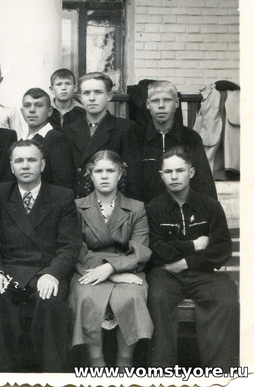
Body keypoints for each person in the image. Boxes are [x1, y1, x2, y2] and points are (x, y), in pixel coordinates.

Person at [0, 139, 82, 372]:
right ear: (11, 166)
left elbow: (70, 245)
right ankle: (1, 376)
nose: (25, 166)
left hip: (45, 271)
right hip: (8, 271)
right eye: (19, 161)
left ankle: (52, 375)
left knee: (50, 301)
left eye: (32, 160)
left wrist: (53, 273)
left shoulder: (62, 196)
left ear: (42, 165)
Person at [145, 146, 238, 369]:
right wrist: (194, 245)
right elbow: (156, 250)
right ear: (161, 175)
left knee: (226, 297)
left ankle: (219, 373)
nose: (174, 176)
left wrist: (186, 262)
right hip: (166, 274)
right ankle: (161, 372)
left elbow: (221, 249)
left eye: (180, 170)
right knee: (157, 298)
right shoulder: (153, 209)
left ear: (192, 172)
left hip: (203, 273)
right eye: (169, 172)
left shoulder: (210, 206)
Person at [70, 151, 153, 369]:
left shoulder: (136, 208)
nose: (104, 176)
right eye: (98, 171)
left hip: (128, 268)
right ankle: (96, 364)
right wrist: (110, 273)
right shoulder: (77, 206)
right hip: (88, 268)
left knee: (132, 295)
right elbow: (75, 248)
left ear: (120, 174)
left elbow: (140, 250)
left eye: (110, 170)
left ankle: (124, 364)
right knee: (86, 296)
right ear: (90, 175)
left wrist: (113, 269)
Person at [123, 80, 217, 203]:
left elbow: (204, 182)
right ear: (147, 104)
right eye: (155, 101)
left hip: (182, 209)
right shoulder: (135, 136)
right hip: (145, 210)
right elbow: (130, 183)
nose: (161, 106)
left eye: (167, 100)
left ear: (176, 103)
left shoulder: (190, 138)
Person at [62, 72, 133, 198]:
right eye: (86, 93)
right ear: (80, 98)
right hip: (77, 200)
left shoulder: (125, 129)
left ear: (109, 96)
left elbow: (131, 177)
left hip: (111, 199)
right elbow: (64, 176)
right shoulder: (68, 130)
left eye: (98, 92)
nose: (92, 98)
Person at [20, 88, 74, 189]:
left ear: (49, 111)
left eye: (39, 105)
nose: (32, 110)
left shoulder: (57, 139)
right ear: (22, 112)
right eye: (27, 105)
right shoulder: (21, 138)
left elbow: (63, 183)